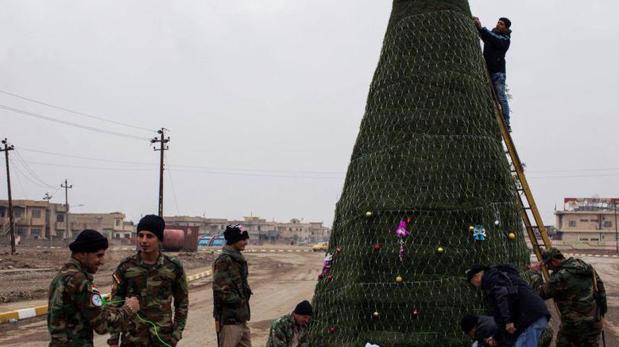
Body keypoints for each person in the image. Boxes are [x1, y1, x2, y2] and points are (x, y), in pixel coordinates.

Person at [47, 229, 140, 346]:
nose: (102, 261)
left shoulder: (62, 276)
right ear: (82, 253)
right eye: (98, 255)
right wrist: (128, 309)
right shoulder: (80, 281)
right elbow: (102, 325)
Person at [108, 215, 188, 347]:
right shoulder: (126, 266)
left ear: (159, 239)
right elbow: (116, 302)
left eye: (149, 236)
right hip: (132, 338)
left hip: (162, 339)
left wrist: (176, 334)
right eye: (140, 235)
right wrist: (114, 337)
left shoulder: (173, 267)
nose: (144, 241)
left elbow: (182, 303)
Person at [531, 248, 607, 347]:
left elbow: (538, 294)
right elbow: (601, 290)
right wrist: (602, 312)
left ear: (554, 261)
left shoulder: (560, 277)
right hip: (594, 323)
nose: (549, 268)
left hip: (575, 328)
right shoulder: (584, 266)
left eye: (548, 265)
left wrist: (536, 273)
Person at [466, 264, 550, 347]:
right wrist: (496, 337)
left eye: (472, 282)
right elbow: (502, 313)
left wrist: (508, 321)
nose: (475, 286)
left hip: (530, 318)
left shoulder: (492, 279)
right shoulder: (498, 276)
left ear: (476, 277)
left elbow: (502, 296)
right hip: (532, 316)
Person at [213, 225, 252, 347]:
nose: (245, 242)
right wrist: (239, 300)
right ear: (234, 240)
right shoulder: (224, 260)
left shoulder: (238, 259)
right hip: (229, 321)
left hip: (241, 319)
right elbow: (219, 291)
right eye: (243, 239)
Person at [473, 16, 512, 131]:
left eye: (501, 24)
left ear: (505, 28)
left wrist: (482, 28)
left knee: (501, 97)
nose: (498, 25)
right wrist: (476, 25)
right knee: (490, 99)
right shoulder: (492, 34)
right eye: (498, 22)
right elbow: (485, 35)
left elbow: (493, 38)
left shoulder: (505, 40)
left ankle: (506, 122)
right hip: (488, 72)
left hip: (498, 74)